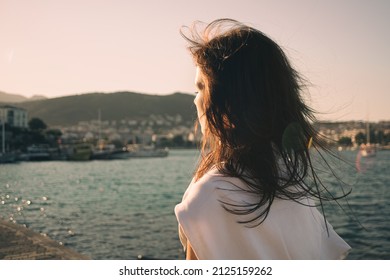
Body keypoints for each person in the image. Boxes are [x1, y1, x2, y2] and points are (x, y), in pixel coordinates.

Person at [175, 19, 351, 260]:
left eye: (201, 87)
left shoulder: (208, 198)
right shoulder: (293, 184)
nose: (195, 99)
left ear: (228, 106)